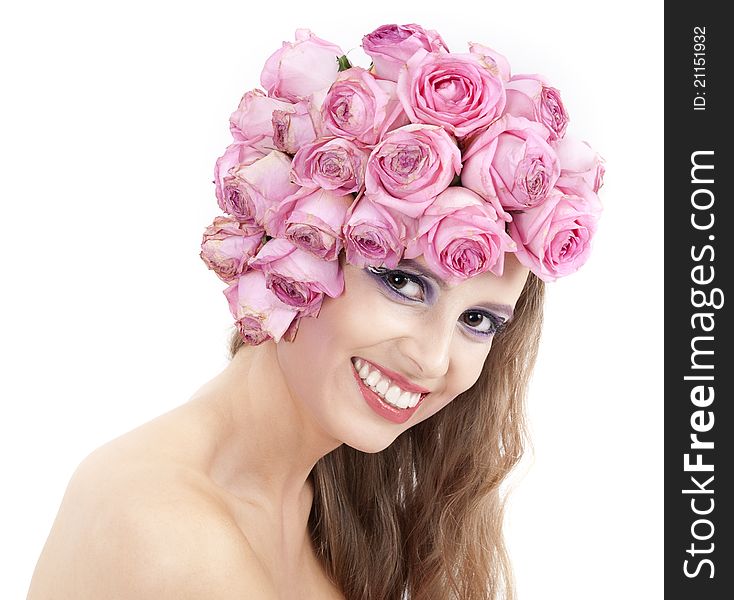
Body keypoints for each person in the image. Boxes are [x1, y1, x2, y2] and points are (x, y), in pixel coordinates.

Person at [27, 23, 603, 600]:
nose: (432, 359)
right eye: (403, 282)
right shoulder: (169, 530)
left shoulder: (323, 503)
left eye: (478, 321)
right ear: (295, 248)